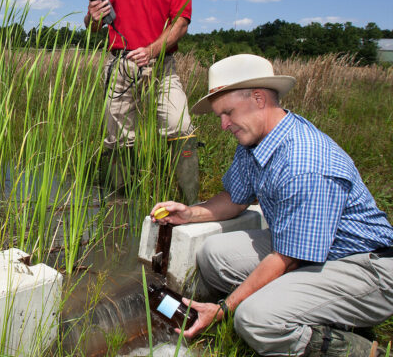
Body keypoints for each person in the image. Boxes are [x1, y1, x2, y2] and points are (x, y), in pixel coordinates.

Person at [150, 54, 393, 357]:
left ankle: (363, 350)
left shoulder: (304, 163)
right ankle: (296, 304)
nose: (224, 125)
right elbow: (234, 200)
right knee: (213, 255)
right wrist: (189, 214)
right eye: (219, 116)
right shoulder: (254, 140)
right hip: (305, 250)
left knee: (255, 319)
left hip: (362, 266)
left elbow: (287, 258)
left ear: (259, 98)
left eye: (228, 113)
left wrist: (225, 308)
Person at [84, 0, 198, 203]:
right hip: (119, 65)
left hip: (161, 64)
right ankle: (120, 205)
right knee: (118, 135)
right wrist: (92, 17)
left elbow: (181, 22)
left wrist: (153, 50)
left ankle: (190, 205)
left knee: (180, 125)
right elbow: (94, 27)